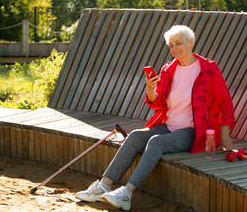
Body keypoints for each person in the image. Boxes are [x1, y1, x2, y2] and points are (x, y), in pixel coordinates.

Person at [75, 25, 235, 210]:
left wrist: (225, 134)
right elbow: (157, 103)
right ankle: (102, 186)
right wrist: (150, 89)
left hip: (195, 132)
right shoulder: (169, 69)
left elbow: (226, 104)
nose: (174, 48)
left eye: (178, 43)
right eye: (171, 45)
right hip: (169, 126)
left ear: (191, 43)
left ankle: (127, 193)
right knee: (135, 136)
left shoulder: (208, 69)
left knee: (156, 142)